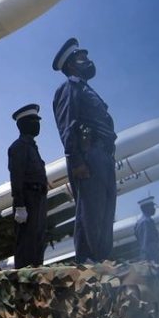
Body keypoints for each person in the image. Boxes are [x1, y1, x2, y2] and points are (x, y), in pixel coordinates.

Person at [51, 38, 117, 263]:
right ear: (71, 64)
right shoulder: (70, 88)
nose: (88, 60)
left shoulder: (87, 90)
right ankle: (87, 260)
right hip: (89, 155)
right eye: (82, 57)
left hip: (103, 155)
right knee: (90, 210)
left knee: (106, 210)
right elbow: (67, 126)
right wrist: (77, 161)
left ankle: (101, 259)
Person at [8, 104, 49, 268]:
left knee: (38, 241)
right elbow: (16, 177)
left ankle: (36, 275)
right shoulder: (18, 147)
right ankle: (25, 278)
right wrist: (20, 205)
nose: (38, 125)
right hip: (28, 199)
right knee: (27, 242)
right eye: (34, 121)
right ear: (24, 124)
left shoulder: (32, 148)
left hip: (38, 199)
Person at [134, 196, 159, 264]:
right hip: (151, 260)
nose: (154, 209)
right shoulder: (145, 222)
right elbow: (145, 245)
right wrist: (152, 262)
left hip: (152, 258)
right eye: (152, 207)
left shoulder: (147, 221)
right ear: (145, 208)